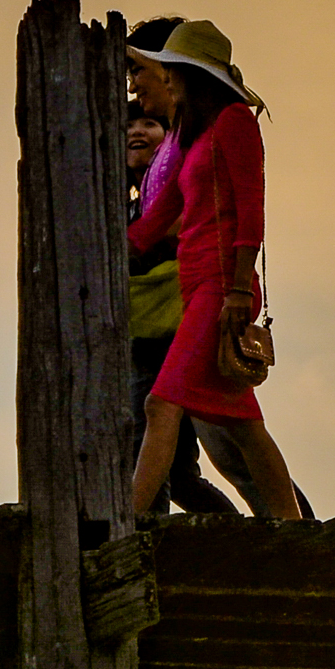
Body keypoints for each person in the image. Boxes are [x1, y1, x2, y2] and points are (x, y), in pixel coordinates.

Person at [125, 20, 304, 519]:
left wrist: (237, 296)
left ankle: (131, 519)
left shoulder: (234, 122)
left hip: (222, 287)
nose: (168, 79)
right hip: (196, 285)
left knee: (161, 405)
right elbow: (159, 217)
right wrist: (117, 251)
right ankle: (293, 525)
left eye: (175, 70)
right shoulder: (191, 133)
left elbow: (252, 211)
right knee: (245, 426)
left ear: (191, 74)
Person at [126, 97, 237, 516]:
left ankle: (286, 520)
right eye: (129, 126)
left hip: (186, 323)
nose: (137, 131)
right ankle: (225, 529)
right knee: (174, 467)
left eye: (149, 123)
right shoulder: (131, 201)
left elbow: (188, 223)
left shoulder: (177, 176)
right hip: (146, 336)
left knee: (229, 440)